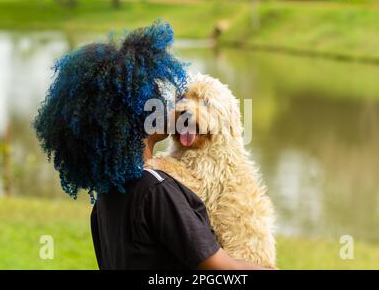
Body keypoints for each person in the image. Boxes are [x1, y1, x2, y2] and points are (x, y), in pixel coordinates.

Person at [34, 21, 267, 270]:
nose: (171, 108)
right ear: (135, 118)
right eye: (155, 100)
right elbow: (221, 268)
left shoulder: (107, 195)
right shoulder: (156, 189)